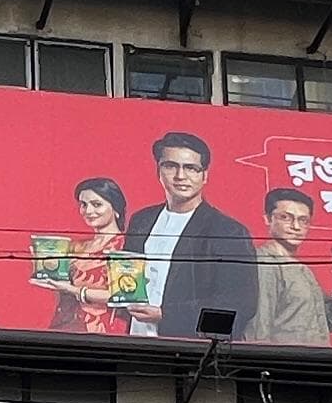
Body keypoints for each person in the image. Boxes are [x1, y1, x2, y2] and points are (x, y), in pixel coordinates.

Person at [131, 129, 260, 340]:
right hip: (133, 344)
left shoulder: (227, 231)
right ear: (158, 171)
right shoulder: (141, 221)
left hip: (191, 353)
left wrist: (167, 316)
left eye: (191, 168)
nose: (181, 176)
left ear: (204, 175)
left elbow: (240, 306)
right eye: (171, 166)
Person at [243, 185, 332, 346]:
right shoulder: (265, 262)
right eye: (286, 218)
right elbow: (259, 329)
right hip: (283, 365)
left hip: (313, 363)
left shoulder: (303, 269)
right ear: (268, 219)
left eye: (303, 220)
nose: (296, 227)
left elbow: (322, 323)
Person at [46, 177, 137, 336]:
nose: (88, 211)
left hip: (104, 332)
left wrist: (75, 290)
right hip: (66, 327)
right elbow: (62, 292)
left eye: (97, 204)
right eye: (83, 205)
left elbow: (125, 296)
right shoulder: (75, 246)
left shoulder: (125, 246)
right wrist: (47, 269)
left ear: (116, 209)